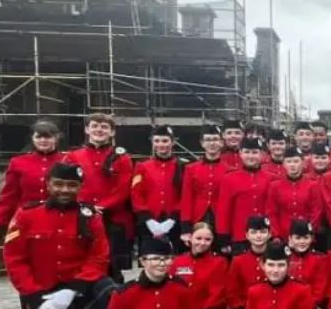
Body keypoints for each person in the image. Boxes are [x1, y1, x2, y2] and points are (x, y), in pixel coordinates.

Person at [2, 162, 116, 309]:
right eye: (59, 184)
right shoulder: (26, 215)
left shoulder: (90, 217)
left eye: (72, 185)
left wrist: (73, 289)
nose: (65, 190)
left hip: (79, 288)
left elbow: (98, 257)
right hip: (42, 290)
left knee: (110, 290)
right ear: (48, 185)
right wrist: (34, 295)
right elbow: (14, 259)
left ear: (80, 187)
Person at [68, 112, 134, 280]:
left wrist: (102, 206)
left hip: (113, 219)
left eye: (104, 127)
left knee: (113, 268)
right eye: (95, 126)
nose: (99, 130)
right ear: (87, 130)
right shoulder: (73, 156)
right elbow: (69, 185)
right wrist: (85, 206)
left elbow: (124, 187)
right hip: (82, 216)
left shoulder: (122, 158)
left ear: (112, 132)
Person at [0, 118, 67, 237]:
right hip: (27, 218)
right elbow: (9, 194)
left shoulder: (67, 160)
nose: (43, 140)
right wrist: (1, 219)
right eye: (38, 137)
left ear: (56, 138)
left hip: (59, 217)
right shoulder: (18, 162)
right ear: (32, 138)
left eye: (47, 137)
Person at [169, 222, 232, 309]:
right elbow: (171, 291)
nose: (202, 243)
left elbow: (217, 295)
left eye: (207, 239)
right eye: (198, 238)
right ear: (190, 238)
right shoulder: (178, 262)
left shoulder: (220, 262)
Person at [214, 137, 275, 252]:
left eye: (254, 152)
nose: (250, 156)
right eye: (247, 152)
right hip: (239, 235)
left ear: (262, 154)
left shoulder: (271, 178)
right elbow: (224, 210)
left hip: (266, 235)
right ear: (240, 153)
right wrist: (223, 237)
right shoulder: (229, 179)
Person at [132, 125, 185, 253]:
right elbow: (136, 193)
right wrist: (148, 220)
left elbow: (185, 194)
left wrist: (172, 220)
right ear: (152, 142)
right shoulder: (142, 166)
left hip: (175, 222)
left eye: (165, 141)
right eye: (157, 141)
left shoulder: (183, 166)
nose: (161, 144)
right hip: (149, 222)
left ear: (172, 142)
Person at [226, 215, 272, 309]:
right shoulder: (239, 261)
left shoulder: (277, 259)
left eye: (263, 232)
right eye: (254, 232)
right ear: (247, 235)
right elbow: (231, 292)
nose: (259, 236)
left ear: (270, 234)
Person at [179, 125, 229, 245]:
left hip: (221, 218)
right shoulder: (191, 169)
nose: (212, 143)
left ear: (222, 143)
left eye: (215, 140)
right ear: (202, 143)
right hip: (198, 216)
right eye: (208, 140)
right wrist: (185, 228)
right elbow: (187, 198)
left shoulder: (230, 170)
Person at [264, 148, 324, 242]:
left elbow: (316, 211)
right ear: (283, 164)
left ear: (303, 163)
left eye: (296, 161)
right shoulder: (275, 186)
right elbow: (271, 212)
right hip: (283, 235)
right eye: (289, 161)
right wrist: (276, 235)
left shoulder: (313, 185)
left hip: (306, 235)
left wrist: (309, 230)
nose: (292, 165)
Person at [287, 219, 330, 309]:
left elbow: (319, 289)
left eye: (306, 237)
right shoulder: (285, 258)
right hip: (286, 306)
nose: (302, 242)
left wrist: (307, 305)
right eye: (298, 238)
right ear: (290, 238)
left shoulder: (320, 259)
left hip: (311, 307)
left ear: (311, 238)